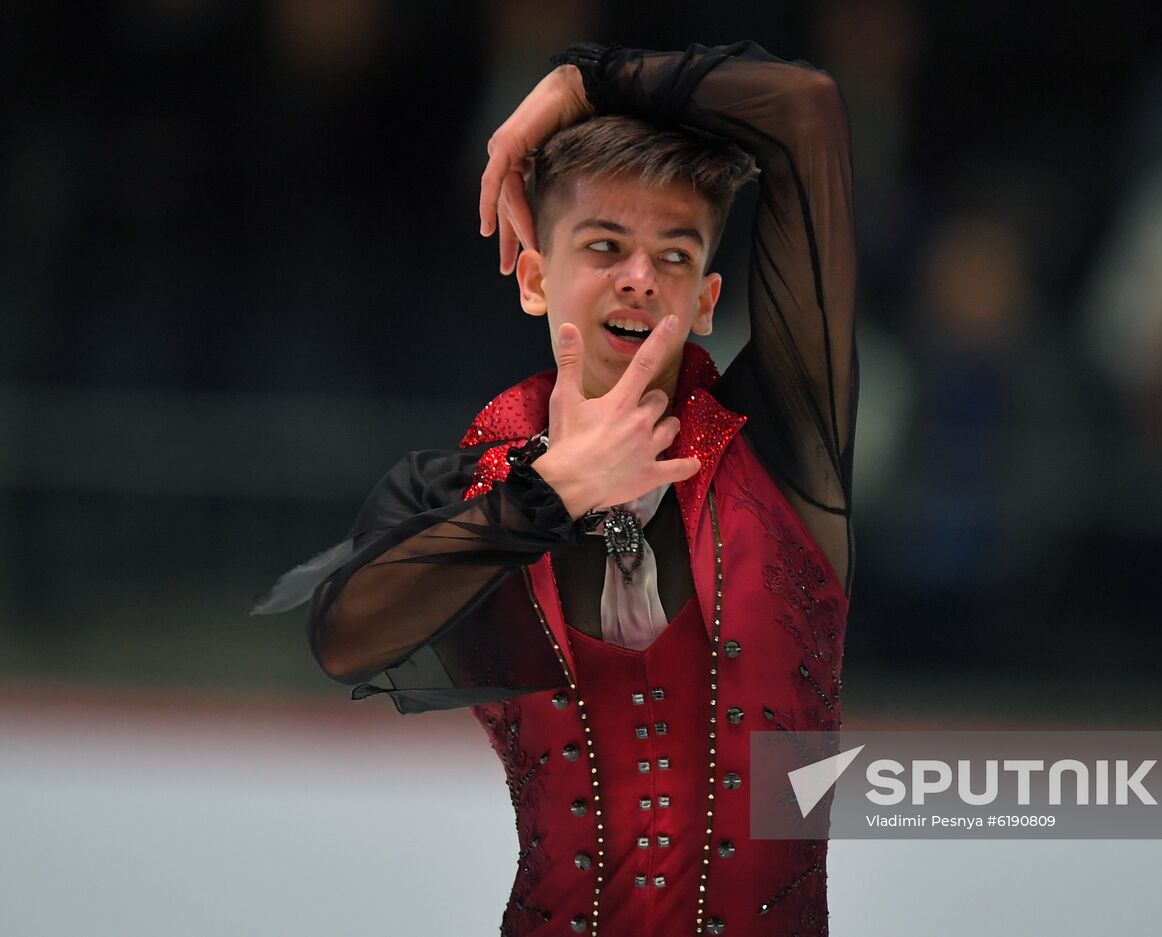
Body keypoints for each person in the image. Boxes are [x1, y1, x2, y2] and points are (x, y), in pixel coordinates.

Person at [255, 40, 856, 936]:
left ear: (705, 299)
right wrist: (549, 494)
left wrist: (586, 79)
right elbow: (343, 637)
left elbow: (802, 106)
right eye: (605, 245)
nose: (639, 279)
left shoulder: (783, 445)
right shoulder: (469, 484)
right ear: (538, 278)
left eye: (675, 255)